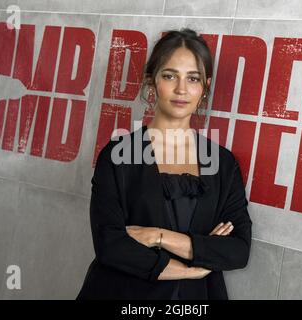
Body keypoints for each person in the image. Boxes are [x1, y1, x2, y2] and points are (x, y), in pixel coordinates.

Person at [77, 28, 252, 300]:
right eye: (170, 75)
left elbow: (238, 250)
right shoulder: (118, 155)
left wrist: (159, 236)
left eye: (192, 78)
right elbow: (111, 245)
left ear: (205, 86)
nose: (181, 89)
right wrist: (194, 265)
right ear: (152, 82)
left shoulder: (223, 163)